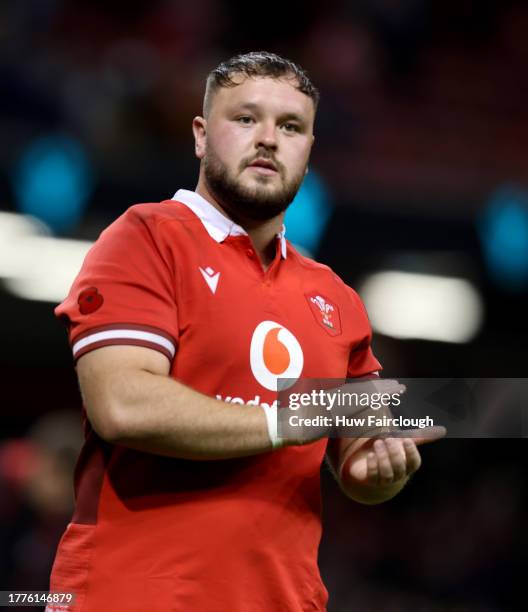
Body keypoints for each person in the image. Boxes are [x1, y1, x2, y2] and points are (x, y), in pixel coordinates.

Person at [48, 51, 443, 611]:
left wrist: (380, 470)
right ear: (201, 137)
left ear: (308, 153)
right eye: (245, 119)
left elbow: (357, 457)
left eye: (290, 127)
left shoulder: (336, 298)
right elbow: (122, 405)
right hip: (133, 594)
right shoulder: (145, 237)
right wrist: (293, 419)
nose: (268, 139)